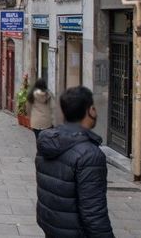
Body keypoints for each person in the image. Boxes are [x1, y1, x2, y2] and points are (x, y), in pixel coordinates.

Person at [36, 86, 113, 238]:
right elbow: (94, 213)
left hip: (52, 228)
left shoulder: (48, 142)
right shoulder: (90, 155)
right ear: (91, 110)